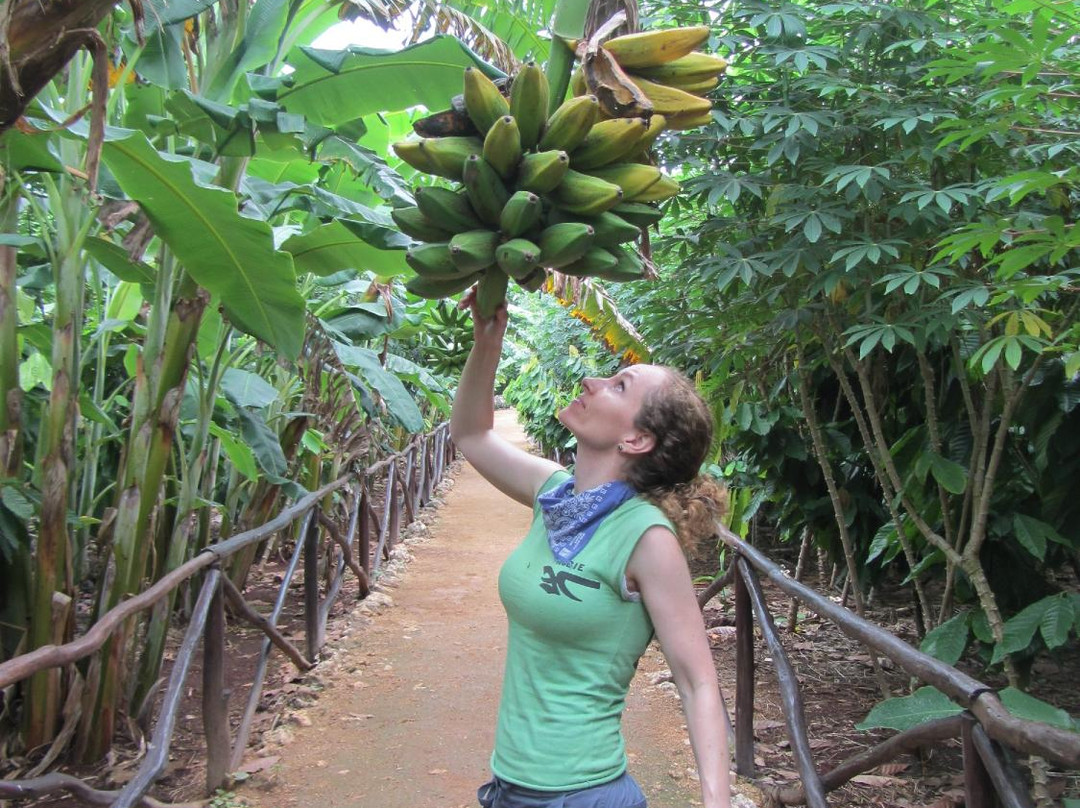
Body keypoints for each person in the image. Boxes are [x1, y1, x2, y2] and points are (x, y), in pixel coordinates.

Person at [450, 293, 733, 808]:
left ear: (637, 439)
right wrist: (487, 342)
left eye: (618, 386)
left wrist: (718, 803)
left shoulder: (645, 537)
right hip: (509, 788)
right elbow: (471, 433)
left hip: (582, 795)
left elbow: (698, 682)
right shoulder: (554, 495)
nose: (590, 381)